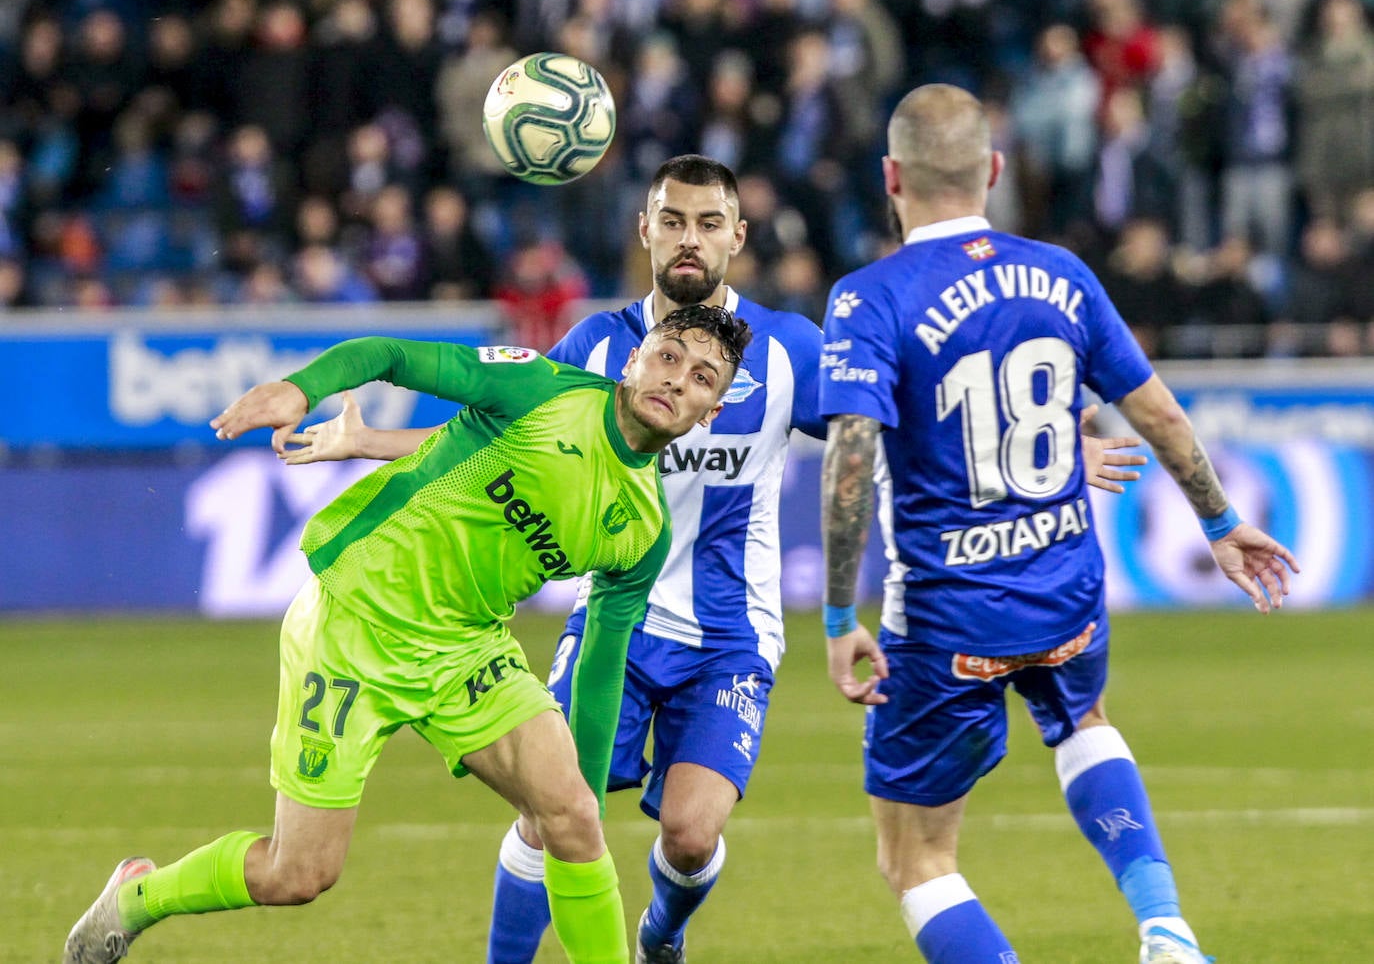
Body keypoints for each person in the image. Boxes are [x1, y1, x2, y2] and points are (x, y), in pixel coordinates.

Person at [292, 153, 1146, 964]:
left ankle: (663, 927)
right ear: (645, 231)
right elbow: (495, 437)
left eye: (709, 222)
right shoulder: (597, 344)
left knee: (692, 834)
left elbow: (894, 422)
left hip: (733, 633)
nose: (689, 237)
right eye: (673, 220)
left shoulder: (784, 350)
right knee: (549, 814)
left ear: (738, 237)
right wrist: (370, 438)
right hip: (614, 621)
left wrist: (1047, 438)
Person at [61, 302, 754, 964]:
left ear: (711, 413)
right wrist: (301, 389)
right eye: (667, 355)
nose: (675, 379)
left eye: (701, 377)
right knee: (298, 873)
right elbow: (389, 354)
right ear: (634, 358)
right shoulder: (540, 387)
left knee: (571, 814)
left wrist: (588, 791)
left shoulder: (643, 525)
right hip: (353, 620)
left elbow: (604, 659)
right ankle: (137, 896)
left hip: (465, 648)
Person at [817, 84, 1299, 964]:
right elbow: (1153, 409)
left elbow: (851, 451)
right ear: (994, 170)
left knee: (915, 858)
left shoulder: (869, 296)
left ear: (890, 176)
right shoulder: (1062, 272)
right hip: (1063, 588)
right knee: (1086, 723)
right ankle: (1167, 927)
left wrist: (835, 613)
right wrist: (1221, 520)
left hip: (946, 617)